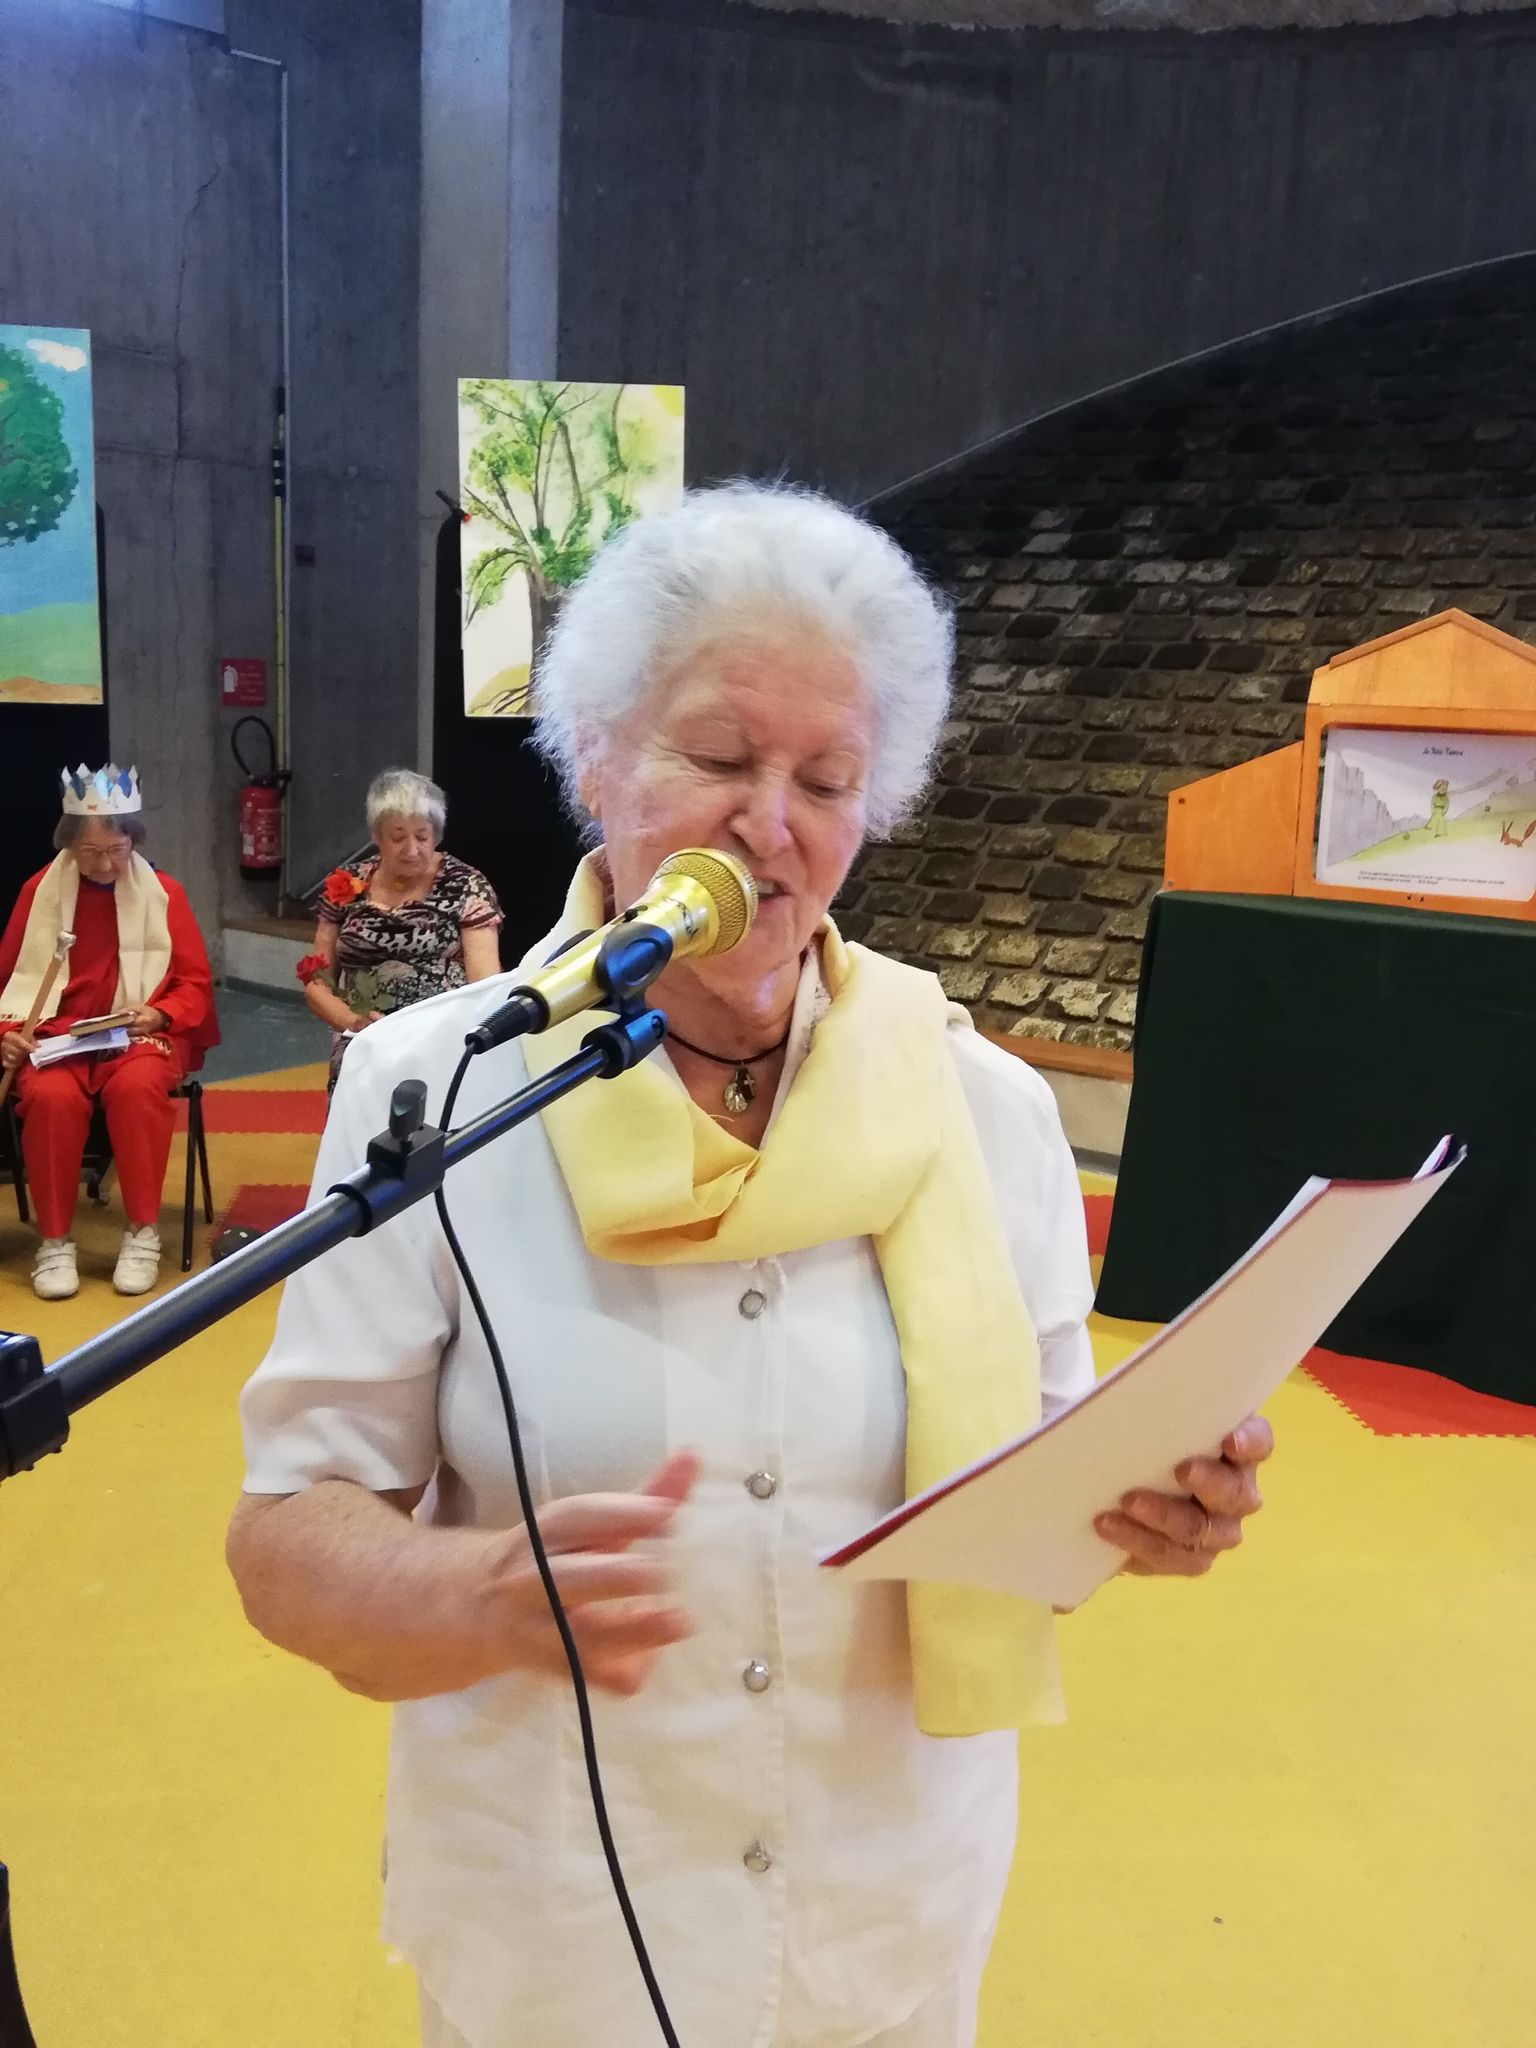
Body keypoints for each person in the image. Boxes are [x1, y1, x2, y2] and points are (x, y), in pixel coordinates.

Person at [228, 485, 1274, 2048]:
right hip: (558, 1935)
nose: (770, 826)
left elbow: (1043, 1498)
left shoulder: (984, 1109)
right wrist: (473, 1592)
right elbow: (285, 1537)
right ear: (595, 759)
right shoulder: (435, 1088)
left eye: (827, 780)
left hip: (885, 1920)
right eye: (718, 758)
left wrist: (1149, 1507)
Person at [0, 764, 218, 1300]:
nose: (104, 864)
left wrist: (161, 1014)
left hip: (138, 1030)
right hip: (57, 1033)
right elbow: (9, 981)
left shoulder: (164, 892)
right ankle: (55, 1240)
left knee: (137, 1088)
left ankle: (142, 1231)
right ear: (69, 845)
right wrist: (8, 1032)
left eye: (115, 851)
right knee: (49, 1096)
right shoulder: (38, 892)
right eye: (90, 852)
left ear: (133, 840)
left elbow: (193, 984)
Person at [296, 768, 503, 1089]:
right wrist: (353, 1023)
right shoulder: (345, 884)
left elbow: (485, 986)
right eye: (398, 837)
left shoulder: (465, 885)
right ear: (376, 836)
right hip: (363, 1040)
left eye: (422, 836)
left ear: (436, 835)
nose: (411, 849)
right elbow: (317, 983)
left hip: (441, 1038)